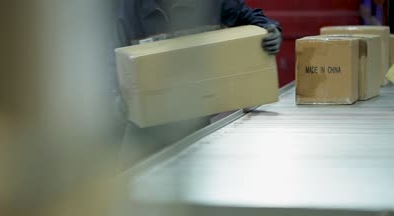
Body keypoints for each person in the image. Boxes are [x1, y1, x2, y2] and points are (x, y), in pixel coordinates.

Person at [115, 0, 282, 170]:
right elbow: (105, 55)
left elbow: (250, 18)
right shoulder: (127, 7)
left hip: (194, 119)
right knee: (126, 186)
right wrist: (115, 93)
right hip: (144, 128)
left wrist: (270, 29)